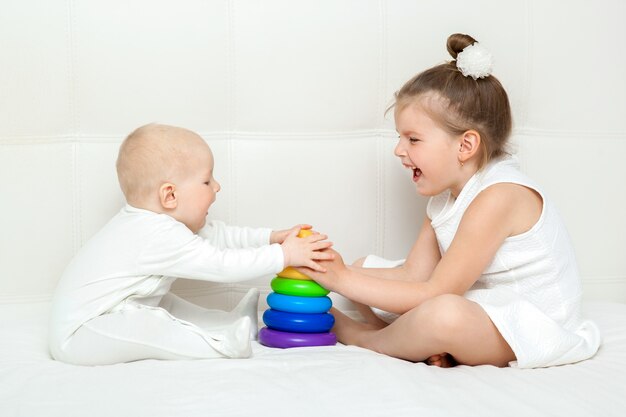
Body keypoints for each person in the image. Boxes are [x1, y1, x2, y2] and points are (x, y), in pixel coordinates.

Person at [302, 33, 601, 368]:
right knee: (363, 268)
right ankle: (409, 338)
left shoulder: (500, 196)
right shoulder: (446, 199)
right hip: (486, 307)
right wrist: (339, 271)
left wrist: (341, 281)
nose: (399, 150)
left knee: (443, 314)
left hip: (534, 326)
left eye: (413, 139)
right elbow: (415, 274)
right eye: (400, 138)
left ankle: (368, 339)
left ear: (465, 146)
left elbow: (437, 293)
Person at [49, 123, 333, 365]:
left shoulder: (159, 224)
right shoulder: (153, 234)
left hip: (117, 309)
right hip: (80, 334)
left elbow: (220, 237)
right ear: (170, 196)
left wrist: (271, 237)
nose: (217, 187)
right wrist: (283, 255)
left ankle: (228, 323)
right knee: (152, 324)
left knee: (165, 304)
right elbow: (221, 265)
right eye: (207, 181)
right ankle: (220, 346)